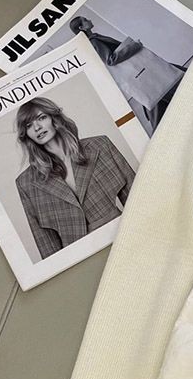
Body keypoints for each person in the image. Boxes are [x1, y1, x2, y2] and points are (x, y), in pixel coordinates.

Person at [14, 96, 136, 260]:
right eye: (28, 125)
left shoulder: (99, 146)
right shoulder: (26, 182)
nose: (36, 127)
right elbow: (45, 241)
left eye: (41, 118)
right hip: (78, 256)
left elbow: (137, 198)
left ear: (54, 118)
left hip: (122, 237)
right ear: (26, 134)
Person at [69, 15, 186, 132]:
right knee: (165, 85)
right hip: (139, 71)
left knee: (159, 92)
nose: (89, 20)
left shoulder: (95, 38)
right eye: (85, 20)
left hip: (140, 71)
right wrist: (134, 46)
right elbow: (110, 60)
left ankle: (161, 129)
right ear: (81, 28)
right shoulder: (94, 41)